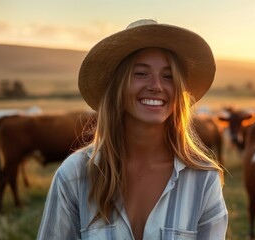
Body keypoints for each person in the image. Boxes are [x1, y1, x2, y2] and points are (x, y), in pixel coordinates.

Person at [37, 19, 228, 239]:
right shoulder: (75, 175)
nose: (156, 86)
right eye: (141, 73)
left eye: (168, 76)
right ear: (117, 86)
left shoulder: (203, 179)